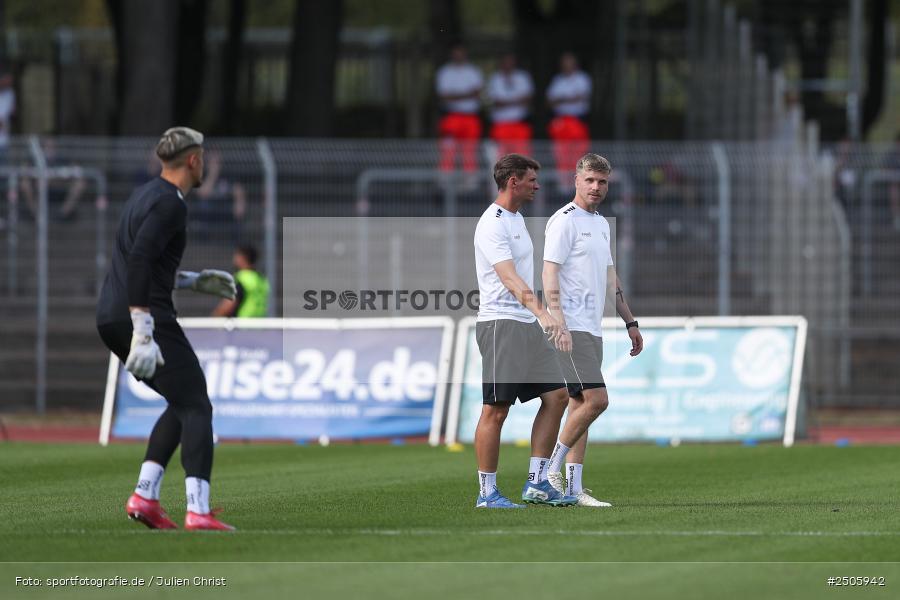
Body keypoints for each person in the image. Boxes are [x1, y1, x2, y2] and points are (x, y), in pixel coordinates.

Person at [96, 127, 238, 531]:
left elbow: (139, 262)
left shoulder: (145, 195)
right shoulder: (171, 204)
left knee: (182, 400)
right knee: (197, 404)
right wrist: (143, 325)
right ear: (194, 160)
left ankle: (145, 496)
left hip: (111, 315)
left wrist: (190, 280)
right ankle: (198, 510)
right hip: (141, 316)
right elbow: (139, 261)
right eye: (203, 156)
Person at [472, 153, 576, 508]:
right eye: (531, 179)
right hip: (502, 325)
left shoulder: (516, 219)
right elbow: (508, 277)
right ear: (512, 180)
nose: (537, 185)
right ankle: (487, 493)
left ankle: (536, 483)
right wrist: (543, 313)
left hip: (526, 324)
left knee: (558, 396)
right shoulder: (493, 223)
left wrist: (538, 316)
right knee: (495, 410)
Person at [541, 153, 643, 506]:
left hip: (592, 328)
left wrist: (630, 321)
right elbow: (549, 272)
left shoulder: (601, 223)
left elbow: (609, 278)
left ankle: (572, 489)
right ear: (576, 180)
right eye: (590, 181)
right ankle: (546, 473)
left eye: (602, 182)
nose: (596, 187)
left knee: (580, 404)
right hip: (571, 326)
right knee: (598, 399)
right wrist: (558, 320)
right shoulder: (564, 222)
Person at [546, 53, 592, 190]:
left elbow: (580, 97)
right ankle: (564, 186)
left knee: (579, 155)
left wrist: (561, 99)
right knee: (561, 155)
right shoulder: (557, 80)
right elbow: (550, 102)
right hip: (561, 123)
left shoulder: (582, 78)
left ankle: (580, 186)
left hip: (577, 121)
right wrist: (569, 98)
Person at [436, 44, 483, 175]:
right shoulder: (445, 72)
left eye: (460, 52)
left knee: (469, 151)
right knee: (448, 151)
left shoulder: (473, 71)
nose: (458, 56)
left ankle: (470, 182)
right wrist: (467, 94)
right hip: (451, 117)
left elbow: (477, 93)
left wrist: (454, 95)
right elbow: (444, 96)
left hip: (470, 117)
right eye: (456, 53)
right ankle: (446, 181)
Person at [191, 150, 247, 243]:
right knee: (203, 206)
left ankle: (234, 243)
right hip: (209, 210)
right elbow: (203, 193)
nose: (215, 164)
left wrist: (240, 203)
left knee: (237, 211)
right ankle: (203, 242)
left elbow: (238, 190)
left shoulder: (227, 174)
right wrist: (213, 174)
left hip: (225, 208)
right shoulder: (201, 174)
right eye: (212, 162)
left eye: (217, 161)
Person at [486, 54, 534, 158]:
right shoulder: (495, 78)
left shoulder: (523, 77)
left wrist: (506, 102)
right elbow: (496, 102)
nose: (508, 64)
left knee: (522, 158)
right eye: (506, 62)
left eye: (511, 61)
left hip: (519, 123)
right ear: (501, 63)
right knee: (501, 158)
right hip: (501, 124)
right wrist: (516, 100)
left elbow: (527, 99)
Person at [212, 244, 270, 317]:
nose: (234, 259)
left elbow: (228, 305)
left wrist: (215, 317)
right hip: (260, 325)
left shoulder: (242, 279)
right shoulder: (261, 279)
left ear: (242, 258)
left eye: (237, 256)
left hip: (242, 325)